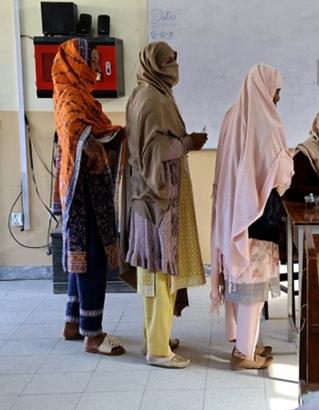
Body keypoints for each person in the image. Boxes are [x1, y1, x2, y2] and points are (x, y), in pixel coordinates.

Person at [124, 42, 207, 368]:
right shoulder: (154, 100)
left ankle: (154, 338)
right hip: (159, 199)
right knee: (161, 270)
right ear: (155, 64)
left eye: (175, 58)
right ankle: (158, 351)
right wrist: (188, 143)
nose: (174, 65)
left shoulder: (144, 93)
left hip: (147, 196)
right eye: (168, 60)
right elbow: (156, 152)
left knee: (151, 269)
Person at [210, 64, 294, 370]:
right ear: (265, 89)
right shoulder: (268, 124)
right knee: (253, 285)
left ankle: (244, 339)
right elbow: (281, 175)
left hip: (232, 209)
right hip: (258, 211)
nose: (278, 98)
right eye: (276, 91)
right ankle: (245, 353)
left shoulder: (232, 115)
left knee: (238, 277)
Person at [52, 38, 125, 355]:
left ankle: (72, 322)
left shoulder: (75, 95)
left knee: (78, 256)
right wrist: (104, 140)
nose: (96, 68)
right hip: (84, 195)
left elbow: (89, 134)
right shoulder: (71, 98)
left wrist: (111, 135)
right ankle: (93, 335)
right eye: (91, 61)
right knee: (91, 259)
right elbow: (79, 140)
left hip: (83, 191)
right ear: (75, 63)